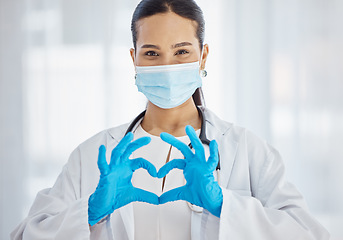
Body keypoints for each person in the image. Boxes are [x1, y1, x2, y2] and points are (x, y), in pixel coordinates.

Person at [11, 0, 329, 239]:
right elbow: (23, 235)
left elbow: (311, 234)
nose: (166, 65)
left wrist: (225, 207)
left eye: (181, 52)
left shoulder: (244, 149)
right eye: (151, 53)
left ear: (203, 56)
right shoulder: (93, 155)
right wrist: (89, 212)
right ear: (133, 58)